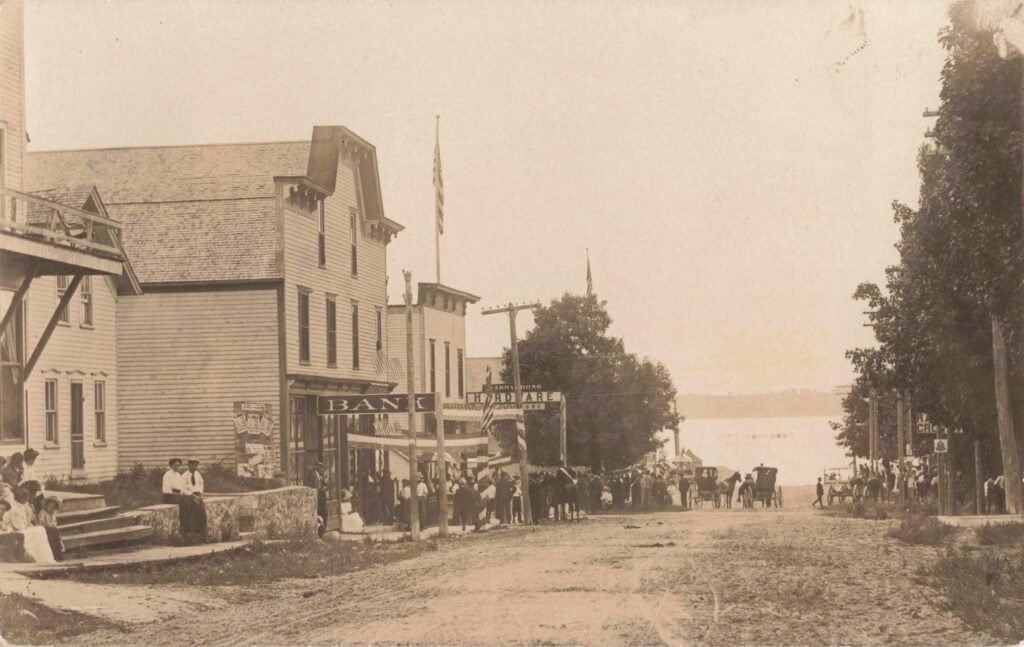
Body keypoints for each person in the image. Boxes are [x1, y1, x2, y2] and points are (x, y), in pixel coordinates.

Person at [7, 488, 54, 564]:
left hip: (21, 527)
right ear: (22, 498)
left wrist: (28, 525)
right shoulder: (14, 508)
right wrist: (26, 527)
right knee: (39, 531)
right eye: (26, 497)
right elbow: (17, 525)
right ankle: (38, 556)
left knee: (41, 530)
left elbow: (25, 520)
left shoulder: (21, 506)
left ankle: (43, 556)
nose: (28, 498)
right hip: (15, 530)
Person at [162, 458, 193, 539]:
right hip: (169, 496)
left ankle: (190, 529)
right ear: (171, 465)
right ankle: (184, 529)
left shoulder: (179, 475)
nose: (177, 467)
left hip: (177, 495)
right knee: (185, 503)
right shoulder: (167, 475)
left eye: (178, 465)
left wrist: (190, 494)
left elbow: (182, 489)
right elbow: (166, 489)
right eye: (175, 465)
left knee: (190, 501)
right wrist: (176, 494)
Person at [182, 459, 208, 542]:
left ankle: (203, 535)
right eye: (192, 465)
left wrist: (200, 492)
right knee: (193, 512)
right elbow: (182, 489)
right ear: (188, 465)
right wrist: (192, 495)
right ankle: (192, 535)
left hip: (197, 494)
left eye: (196, 465)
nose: (194, 467)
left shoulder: (198, 474)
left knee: (203, 513)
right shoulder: (184, 476)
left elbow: (201, 483)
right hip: (189, 495)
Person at [37, 495, 63, 561]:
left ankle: (58, 555)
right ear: (46, 506)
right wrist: (50, 527)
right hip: (43, 529)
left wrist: (52, 526)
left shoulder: (52, 514)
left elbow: (54, 523)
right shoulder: (43, 513)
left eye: (53, 507)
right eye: (50, 506)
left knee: (56, 532)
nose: (51, 508)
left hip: (51, 529)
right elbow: (41, 522)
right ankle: (54, 554)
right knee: (53, 533)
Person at [305, 461, 329, 535]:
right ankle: (320, 531)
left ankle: (323, 530)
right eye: (321, 468)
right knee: (320, 515)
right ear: (317, 467)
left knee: (324, 514)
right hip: (317, 499)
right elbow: (314, 487)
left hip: (321, 500)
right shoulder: (312, 475)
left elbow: (321, 485)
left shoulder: (319, 476)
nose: (323, 470)